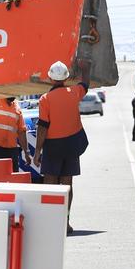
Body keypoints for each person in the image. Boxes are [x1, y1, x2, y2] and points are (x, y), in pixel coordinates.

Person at [33, 60, 90, 233]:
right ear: (66, 78)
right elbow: (85, 83)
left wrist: (37, 152)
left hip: (54, 146)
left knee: (50, 184)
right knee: (67, 184)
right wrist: (85, 68)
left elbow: (43, 127)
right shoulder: (74, 92)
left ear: (50, 79)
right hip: (71, 145)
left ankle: (52, 223)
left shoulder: (45, 99)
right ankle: (65, 222)